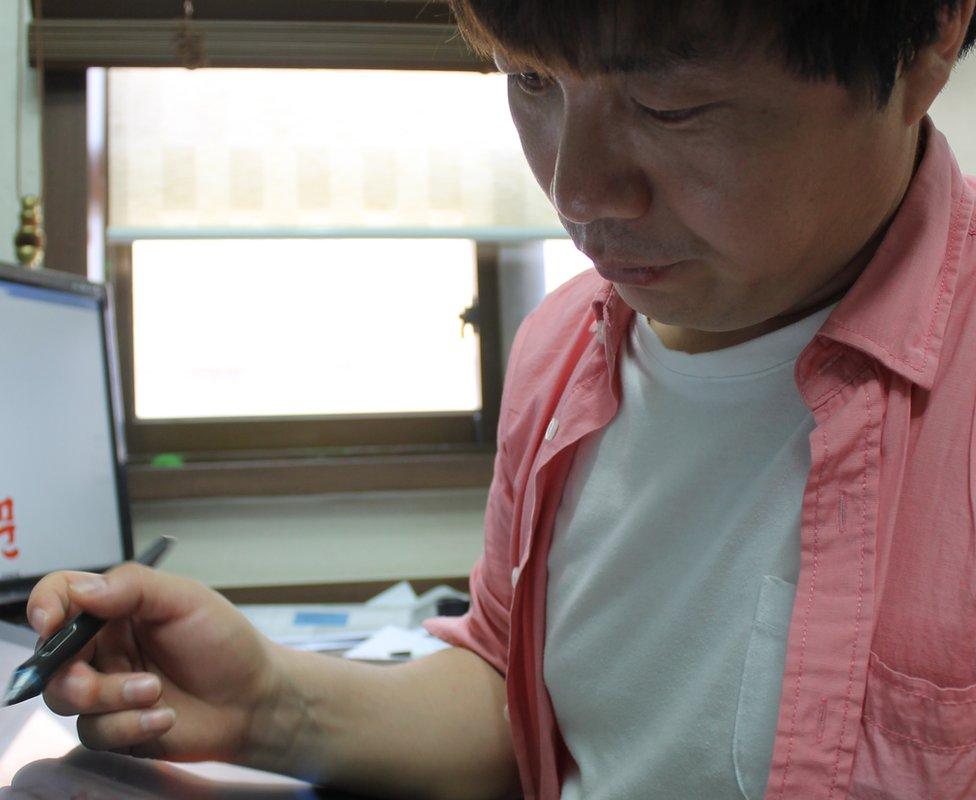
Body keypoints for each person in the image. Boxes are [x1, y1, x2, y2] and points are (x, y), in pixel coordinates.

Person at [26, 2, 976, 798]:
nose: (577, 190)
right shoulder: (565, 349)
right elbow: (512, 696)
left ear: (929, 38)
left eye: (672, 104)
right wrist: (267, 700)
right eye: (530, 82)